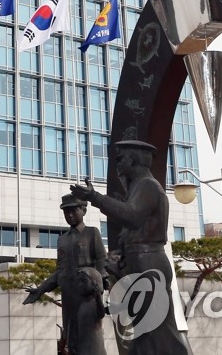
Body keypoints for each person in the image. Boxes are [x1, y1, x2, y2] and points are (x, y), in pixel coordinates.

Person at [70, 139, 191, 355]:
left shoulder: (148, 185)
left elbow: (133, 217)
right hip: (140, 261)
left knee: (158, 330)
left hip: (148, 261)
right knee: (144, 330)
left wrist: (95, 197)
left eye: (121, 159)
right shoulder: (138, 187)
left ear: (133, 159)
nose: (117, 165)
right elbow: (133, 227)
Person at [23, 192, 106, 354]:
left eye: (73, 210)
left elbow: (102, 260)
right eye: (66, 212)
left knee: (91, 339)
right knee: (71, 338)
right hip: (69, 296)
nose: (70, 215)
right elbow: (60, 271)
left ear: (84, 211)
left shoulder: (92, 233)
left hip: (88, 296)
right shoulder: (62, 239)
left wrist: (99, 285)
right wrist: (40, 289)